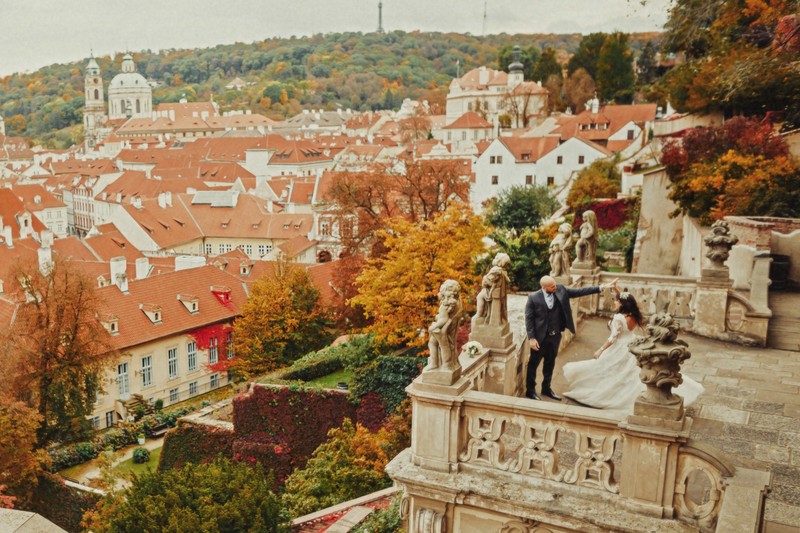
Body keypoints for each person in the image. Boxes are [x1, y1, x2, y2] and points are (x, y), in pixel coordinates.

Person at [562, 291, 704, 411]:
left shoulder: (618, 318)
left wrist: (600, 350)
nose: (615, 303)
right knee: (628, 372)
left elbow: (613, 338)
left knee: (608, 368)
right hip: (631, 342)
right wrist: (617, 289)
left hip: (618, 346)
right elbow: (625, 304)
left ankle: (609, 395)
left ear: (622, 304)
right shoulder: (633, 315)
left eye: (617, 301)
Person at [524, 275, 617, 401]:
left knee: (550, 364)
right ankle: (530, 391)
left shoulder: (561, 290)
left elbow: (580, 291)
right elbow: (529, 319)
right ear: (544, 287)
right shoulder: (533, 298)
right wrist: (531, 338)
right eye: (552, 286)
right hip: (540, 338)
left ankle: (546, 388)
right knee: (533, 365)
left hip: (555, 336)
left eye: (555, 285)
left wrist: (601, 287)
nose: (555, 287)